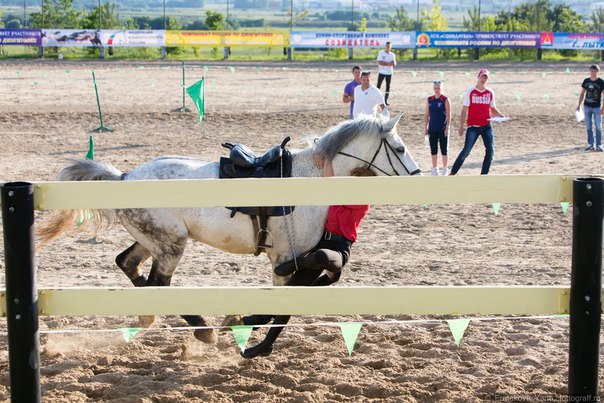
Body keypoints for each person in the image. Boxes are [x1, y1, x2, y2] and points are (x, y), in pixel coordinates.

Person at [274, 160, 375, 277]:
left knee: (322, 256)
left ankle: (299, 263)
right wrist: (327, 158)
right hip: (323, 243)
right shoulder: (338, 197)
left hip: (340, 247)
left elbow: (330, 184)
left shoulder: (363, 203)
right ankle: (330, 277)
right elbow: (330, 183)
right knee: (295, 285)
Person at [449, 68, 506, 176]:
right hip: (473, 126)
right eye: (482, 76)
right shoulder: (471, 91)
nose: (483, 79)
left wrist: (500, 115)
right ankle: (452, 172)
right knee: (466, 151)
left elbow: (492, 109)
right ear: (478, 77)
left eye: (485, 77)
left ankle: (484, 174)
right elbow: (464, 109)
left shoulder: (490, 92)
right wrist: (461, 126)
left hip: (486, 125)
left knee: (490, 151)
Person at [424, 80, 452, 176]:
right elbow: (427, 114)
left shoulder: (445, 99)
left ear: (441, 88)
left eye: (438, 88)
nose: (436, 90)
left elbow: (449, 114)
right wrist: (425, 127)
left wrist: (447, 127)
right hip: (432, 128)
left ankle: (444, 168)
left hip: (442, 128)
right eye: (435, 88)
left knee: (444, 149)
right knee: (433, 149)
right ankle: (435, 168)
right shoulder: (429, 100)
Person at [577, 64, 604, 152]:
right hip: (587, 106)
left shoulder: (601, 82)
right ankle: (590, 144)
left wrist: (603, 108)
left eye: (595, 71)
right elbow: (582, 93)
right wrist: (579, 104)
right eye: (591, 71)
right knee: (589, 126)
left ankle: (599, 144)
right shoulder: (586, 81)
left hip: (596, 107)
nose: (593, 73)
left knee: (598, 126)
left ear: (597, 72)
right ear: (590, 71)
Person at [376, 41, 396, 106]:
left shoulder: (392, 54)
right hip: (381, 72)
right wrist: (389, 63)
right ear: (385, 46)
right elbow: (379, 62)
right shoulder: (381, 53)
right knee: (378, 86)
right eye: (387, 46)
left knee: (388, 86)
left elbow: (394, 64)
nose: (388, 48)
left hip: (389, 73)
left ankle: (386, 100)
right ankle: (377, 99)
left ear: (391, 47)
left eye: (389, 46)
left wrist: (385, 63)